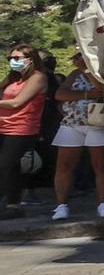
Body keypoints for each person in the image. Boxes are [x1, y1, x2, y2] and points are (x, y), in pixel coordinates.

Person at [50, 53, 104, 221]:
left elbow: (103, 92)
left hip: (100, 123)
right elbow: (60, 94)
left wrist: (86, 70)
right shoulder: (74, 74)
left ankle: (103, 203)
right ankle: (61, 205)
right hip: (73, 122)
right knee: (64, 165)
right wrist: (87, 95)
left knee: (101, 163)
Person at [0, 44, 51, 218]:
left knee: (5, 165)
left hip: (22, 128)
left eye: (16, 58)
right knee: (10, 167)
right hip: (3, 125)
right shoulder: (13, 78)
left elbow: (17, 102)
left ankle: (12, 204)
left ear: (30, 59)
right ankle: (13, 205)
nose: (12, 62)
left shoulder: (38, 78)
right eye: (10, 59)